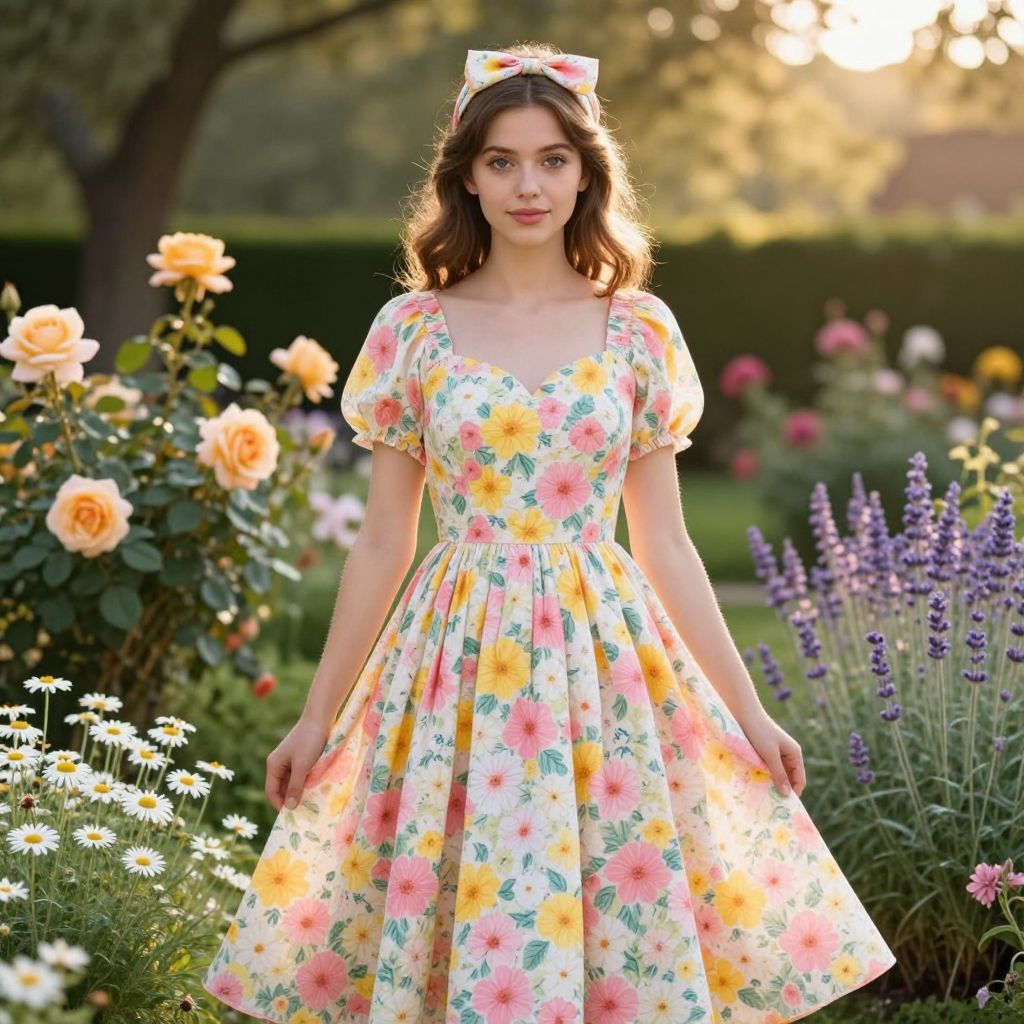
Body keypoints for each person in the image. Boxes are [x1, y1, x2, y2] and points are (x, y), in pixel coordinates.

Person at [202, 43, 897, 1024]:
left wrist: (749, 714)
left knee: (618, 911)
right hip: (452, 661)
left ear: (585, 173)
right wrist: (317, 717)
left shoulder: (640, 330)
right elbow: (380, 542)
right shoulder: (412, 330)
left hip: (604, 666)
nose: (527, 184)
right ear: (466, 179)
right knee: (464, 905)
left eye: (551, 160)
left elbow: (666, 544)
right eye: (500, 161)